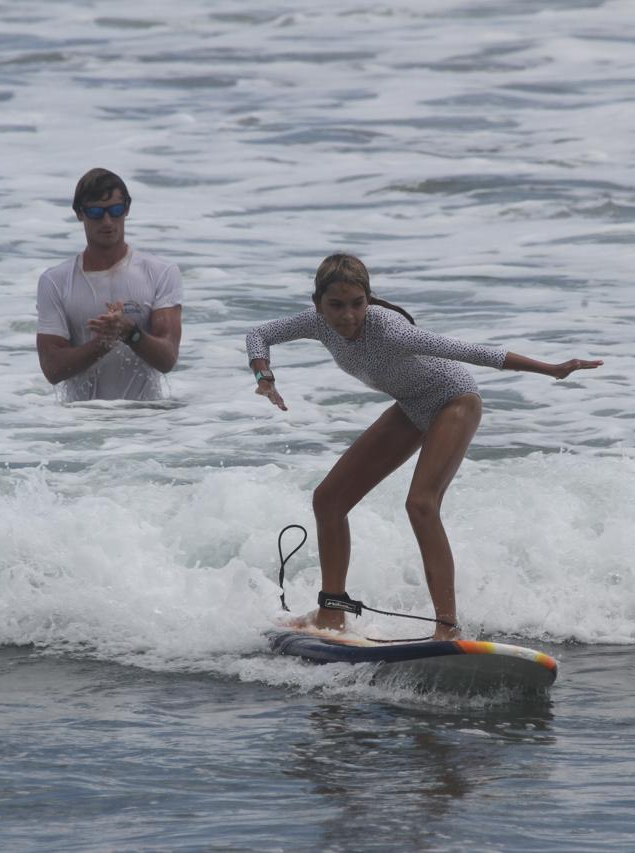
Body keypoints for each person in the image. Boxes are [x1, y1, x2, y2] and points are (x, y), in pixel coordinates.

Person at [245, 253, 603, 640]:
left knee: (421, 504)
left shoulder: (390, 330)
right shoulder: (315, 323)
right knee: (328, 500)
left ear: (369, 299)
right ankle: (332, 613)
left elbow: (472, 352)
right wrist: (265, 375)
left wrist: (550, 369)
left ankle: (447, 627)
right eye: (336, 305)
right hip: (412, 404)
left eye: (357, 304)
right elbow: (257, 334)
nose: (348, 315)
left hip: (455, 399)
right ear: (318, 304)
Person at [36, 168, 183, 401]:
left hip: (149, 424)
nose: (107, 221)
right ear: (79, 213)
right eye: (96, 212)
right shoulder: (55, 281)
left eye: (115, 210)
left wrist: (130, 333)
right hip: (81, 423)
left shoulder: (160, 272)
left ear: (126, 208)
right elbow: (52, 369)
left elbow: (167, 359)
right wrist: (103, 343)